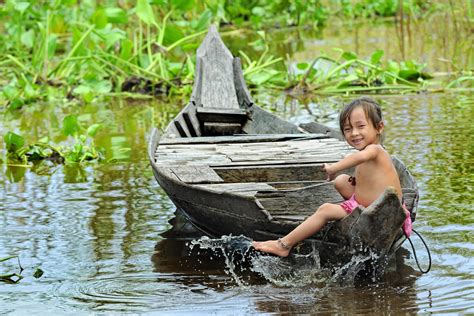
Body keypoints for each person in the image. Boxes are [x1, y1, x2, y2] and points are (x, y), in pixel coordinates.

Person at [252, 97, 412, 257]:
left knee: (325, 210)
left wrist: (333, 167)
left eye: (361, 126)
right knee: (341, 181)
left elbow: (356, 158)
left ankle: (283, 245)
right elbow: (365, 172)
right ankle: (351, 206)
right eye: (348, 129)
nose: (354, 133)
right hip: (371, 203)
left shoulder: (375, 150)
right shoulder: (370, 152)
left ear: (379, 127)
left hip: (381, 213)